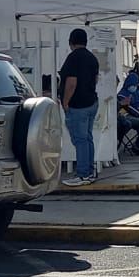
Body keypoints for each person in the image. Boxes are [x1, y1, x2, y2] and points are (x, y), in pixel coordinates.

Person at [58, 28, 100, 187]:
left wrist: (66, 102)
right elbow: (95, 79)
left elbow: (71, 83)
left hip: (78, 104)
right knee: (88, 138)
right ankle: (89, 172)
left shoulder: (73, 58)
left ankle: (82, 174)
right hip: (91, 102)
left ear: (71, 42)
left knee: (80, 140)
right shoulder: (92, 58)